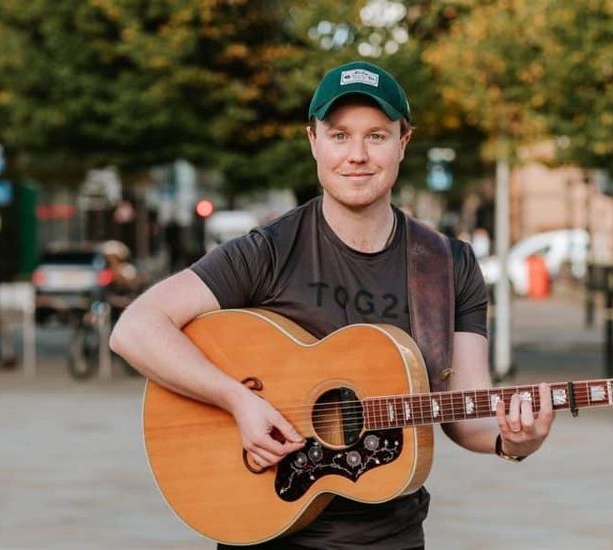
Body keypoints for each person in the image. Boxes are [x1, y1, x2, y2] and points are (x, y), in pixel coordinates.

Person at [110, 60, 555, 549]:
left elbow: (467, 412)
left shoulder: (448, 266)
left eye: (377, 136)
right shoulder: (269, 250)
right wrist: (238, 400)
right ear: (313, 141)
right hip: (267, 530)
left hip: (392, 539)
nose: (358, 155)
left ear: (403, 142)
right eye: (340, 136)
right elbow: (135, 328)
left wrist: (512, 442)